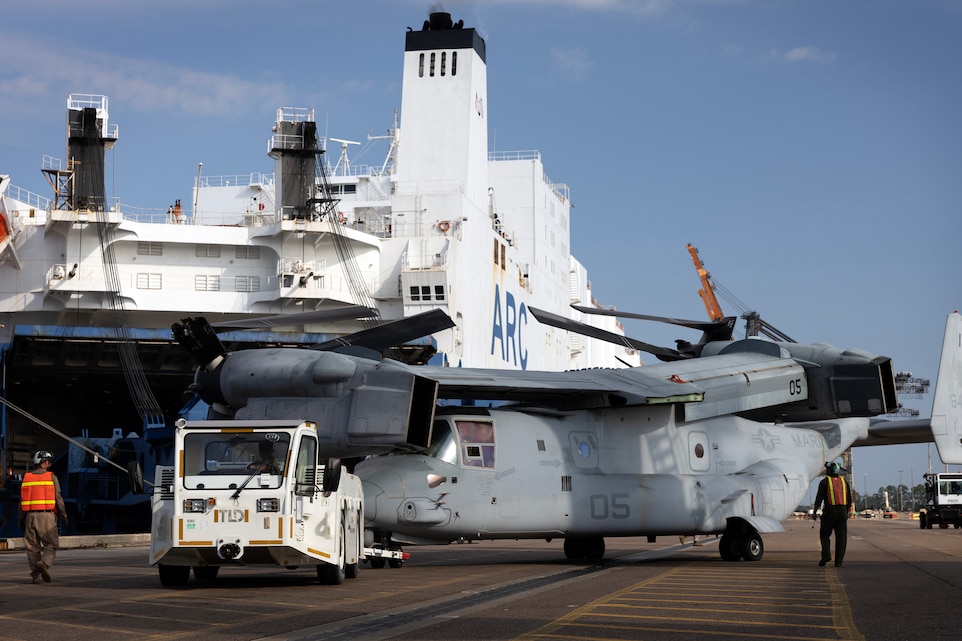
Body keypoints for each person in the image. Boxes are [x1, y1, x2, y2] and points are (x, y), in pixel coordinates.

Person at [18, 450, 67, 584]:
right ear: (44, 463)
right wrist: (64, 515)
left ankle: (36, 576)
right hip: (47, 516)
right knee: (51, 544)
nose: (49, 464)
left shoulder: (26, 477)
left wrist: (21, 520)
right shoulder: (51, 477)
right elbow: (58, 499)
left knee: (32, 547)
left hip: (30, 517)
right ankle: (44, 563)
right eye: (48, 461)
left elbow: (21, 502)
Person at [812, 461, 853, 567]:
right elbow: (849, 499)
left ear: (829, 471)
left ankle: (826, 555)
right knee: (841, 538)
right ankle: (838, 562)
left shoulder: (825, 482)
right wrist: (848, 512)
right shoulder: (844, 482)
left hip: (830, 511)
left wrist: (815, 512)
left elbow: (818, 499)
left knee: (824, 535)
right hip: (842, 512)